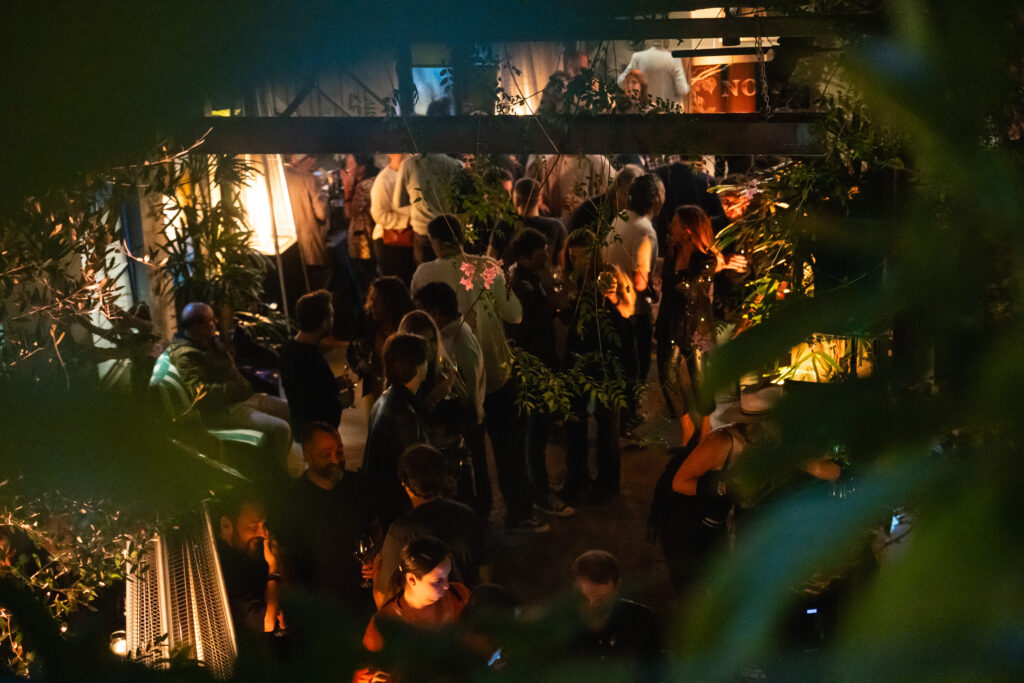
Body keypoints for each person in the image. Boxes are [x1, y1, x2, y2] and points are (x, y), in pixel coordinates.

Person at [411, 215, 546, 533]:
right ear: (462, 237)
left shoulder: (423, 273)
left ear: (434, 243)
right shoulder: (486, 268)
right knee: (508, 448)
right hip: (494, 372)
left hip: (451, 377)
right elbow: (515, 314)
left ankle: (477, 513)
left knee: (470, 453)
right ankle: (520, 513)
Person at [656, 205, 747, 445]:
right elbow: (668, 289)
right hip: (670, 321)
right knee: (667, 374)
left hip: (698, 326)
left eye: (675, 224)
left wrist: (713, 261)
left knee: (700, 379)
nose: (670, 227)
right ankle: (686, 426)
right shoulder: (672, 252)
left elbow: (689, 287)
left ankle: (706, 429)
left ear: (688, 232)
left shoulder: (706, 259)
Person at [271, 423, 378, 620]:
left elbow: (374, 527)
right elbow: (282, 556)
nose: (336, 460)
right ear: (307, 456)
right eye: (326, 454)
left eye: (339, 451)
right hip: (319, 605)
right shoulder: (291, 501)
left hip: (360, 601)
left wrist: (374, 557)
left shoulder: (357, 485)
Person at [561, 232, 636, 504]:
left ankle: (607, 484)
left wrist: (614, 298)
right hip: (578, 355)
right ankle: (577, 478)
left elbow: (628, 310)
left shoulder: (609, 274)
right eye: (572, 256)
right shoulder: (571, 278)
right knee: (575, 420)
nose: (575, 260)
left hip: (606, 356)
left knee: (606, 422)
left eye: (581, 255)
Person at [168, 302, 292, 464]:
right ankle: (276, 473)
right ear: (196, 327)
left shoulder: (207, 341)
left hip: (243, 398)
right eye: (210, 320)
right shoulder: (186, 355)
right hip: (225, 409)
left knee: (292, 410)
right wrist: (235, 389)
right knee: (281, 428)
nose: (215, 323)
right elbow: (198, 391)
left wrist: (223, 350)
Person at [507, 228, 574, 517]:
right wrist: (555, 306)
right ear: (525, 257)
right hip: (532, 366)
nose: (546, 256)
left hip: (540, 362)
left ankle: (538, 487)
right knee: (535, 433)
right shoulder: (521, 286)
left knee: (539, 431)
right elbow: (526, 326)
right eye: (541, 253)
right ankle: (540, 494)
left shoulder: (532, 278)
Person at [373, 445, 489, 608]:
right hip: (467, 612)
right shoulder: (468, 515)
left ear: (404, 484)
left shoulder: (400, 532)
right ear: (442, 477)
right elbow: (485, 575)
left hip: (427, 621)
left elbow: (383, 599)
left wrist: (376, 570)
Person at [414, 281, 490, 519]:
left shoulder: (459, 341)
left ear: (436, 313)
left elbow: (470, 388)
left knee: (469, 478)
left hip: (466, 422)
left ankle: (477, 518)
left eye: (422, 311)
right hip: (463, 421)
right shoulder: (450, 334)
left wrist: (469, 420)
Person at [602, 174, 665, 437]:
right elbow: (640, 281)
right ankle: (628, 420)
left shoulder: (621, 218)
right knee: (635, 367)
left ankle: (621, 417)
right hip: (632, 310)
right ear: (655, 199)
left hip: (611, 302)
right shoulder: (645, 230)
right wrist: (655, 287)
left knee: (620, 364)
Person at [362, 333, 430, 530]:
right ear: (416, 366)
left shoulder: (385, 398)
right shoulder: (403, 415)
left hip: (382, 504)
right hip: (398, 511)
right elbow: (414, 470)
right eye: (426, 360)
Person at [362, 536, 470, 653]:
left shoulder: (459, 596)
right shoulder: (383, 628)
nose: (447, 586)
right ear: (412, 579)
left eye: (447, 575)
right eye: (438, 580)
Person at [569, 550, 663, 681]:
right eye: (584, 599)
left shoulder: (643, 620)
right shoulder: (561, 628)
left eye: (601, 599)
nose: (592, 606)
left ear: (617, 586)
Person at [214, 489, 283, 634]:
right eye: (253, 526)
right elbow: (267, 622)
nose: (263, 533)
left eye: (263, 525)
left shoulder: (246, 554)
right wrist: (273, 568)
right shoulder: (222, 568)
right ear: (226, 525)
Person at [279, 289, 345, 435]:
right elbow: (312, 405)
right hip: (314, 437)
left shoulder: (290, 349)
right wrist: (341, 401)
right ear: (323, 324)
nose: (333, 321)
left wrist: (334, 385)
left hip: (304, 432)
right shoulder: (310, 359)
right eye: (331, 317)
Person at [393, 130, 465, 264]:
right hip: (449, 234)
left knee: (425, 274)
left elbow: (398, 202)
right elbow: (462, 206)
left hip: (422, 233)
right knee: (450, 274)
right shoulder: (456, 166)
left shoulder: (408, 165)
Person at [350, 276, 415, 411]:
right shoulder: (366, 322)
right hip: (375, 394)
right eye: (372, 300)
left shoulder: (409, 326)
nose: (373, 306)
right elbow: (352, 350)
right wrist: (360, 365)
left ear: (393, 303)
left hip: (404, 396)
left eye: (379, 301)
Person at [488, 177, 568, 272]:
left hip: (508, 280)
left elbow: (490, 261)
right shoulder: (556, 227)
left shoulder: (503, 225)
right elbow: (562, 268)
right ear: (539, 200)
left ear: (516, 200)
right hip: (544, 281)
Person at [283, 154, 331, 290]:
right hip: (310, 245)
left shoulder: (279, 178)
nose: (314, 163)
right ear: (297, 159)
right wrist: (325, 197)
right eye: (311, 159)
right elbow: (321, 213)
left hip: (288, 247)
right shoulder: (309, 179)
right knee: (317, 285)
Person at [525, 153, 616, 222]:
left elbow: (613, 201)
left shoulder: (597, 162)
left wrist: (584, 207)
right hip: (560, 234)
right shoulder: (550, 163)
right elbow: (543, 201)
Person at [370, 153, 416, 285]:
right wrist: (407, 221)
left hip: (409, 239)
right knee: (397, 283)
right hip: (390, 242)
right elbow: (379, 214)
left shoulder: (412, 175)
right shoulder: (384, 179)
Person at [344, 154, 380, 291]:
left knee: (367, 279)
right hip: (373, 236)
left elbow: (350, 213)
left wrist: (347, 190)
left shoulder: (363, 186)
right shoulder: (374, 180)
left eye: (350, 164)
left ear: (362, 167)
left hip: (364, 242)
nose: (347, 168)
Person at [617, 41, 689, 109]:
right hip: (669, 112)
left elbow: (621, 82)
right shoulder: (674, 59)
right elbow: (682, 89)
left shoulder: (638, 57)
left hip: (646, 111)